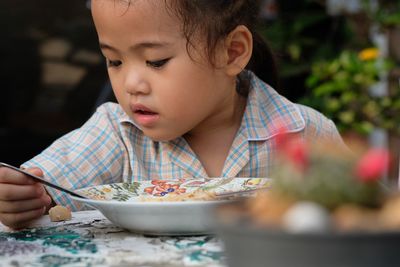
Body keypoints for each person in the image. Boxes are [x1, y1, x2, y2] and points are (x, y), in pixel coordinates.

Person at [0, 0, 346, 229]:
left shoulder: (305, 133)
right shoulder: (116, 131)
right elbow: (42, 184)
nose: (132, 83)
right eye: (114, 61)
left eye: (155, 61)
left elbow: (368, 224)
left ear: (232, 52)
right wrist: (23, 197)